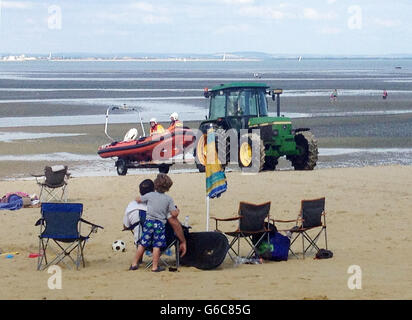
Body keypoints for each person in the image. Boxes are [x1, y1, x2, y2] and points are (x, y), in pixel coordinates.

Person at [129, 174, 186, 272]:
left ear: (155, 185)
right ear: (168, 188)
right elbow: (174, 214)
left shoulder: (150, 195)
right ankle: (154, 267)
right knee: (157, 245)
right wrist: (178, 211)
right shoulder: (168, 199)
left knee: (143, 244)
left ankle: (134, 264)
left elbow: (138, 199)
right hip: (159, 224)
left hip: (148, 223)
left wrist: (140, 200)